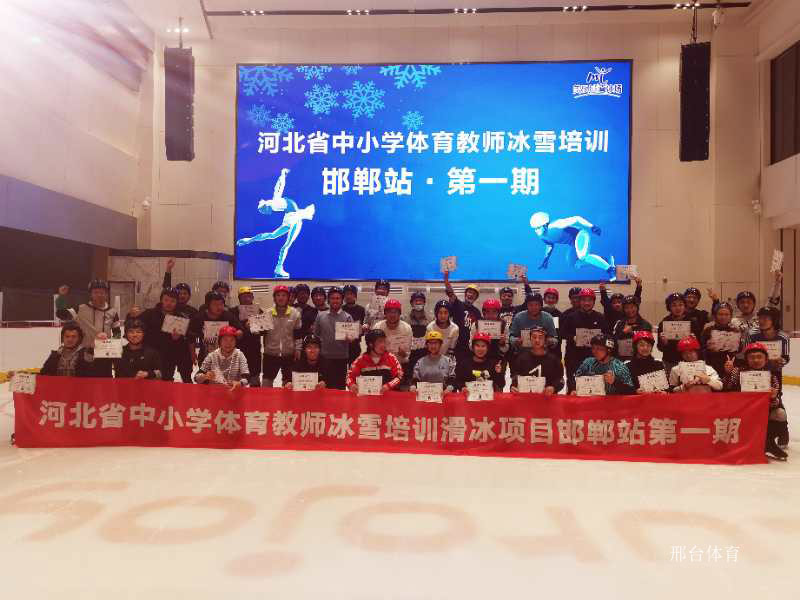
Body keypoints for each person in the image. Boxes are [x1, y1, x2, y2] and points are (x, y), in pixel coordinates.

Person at [235, 168, 316, 278]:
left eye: (263, 211)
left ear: (266, 207)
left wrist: (282, 175)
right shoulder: (273, 203)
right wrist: (282, 175)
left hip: (293, 218)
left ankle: (278, 267)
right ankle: (278, 267)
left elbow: (279, 187)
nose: (265, 213)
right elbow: (278, 187)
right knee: (279, 240)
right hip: (291, 218)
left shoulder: (273, 203)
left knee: (280, 241)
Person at [722, 342, 786, 460]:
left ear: (766, 359)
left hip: (762, 412)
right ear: (746, 359)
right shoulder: (737, 371)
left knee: (780, 414)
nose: (756, 360)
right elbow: (725, 387)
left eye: (759, 357)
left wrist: (773, 397)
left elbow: (775, 404)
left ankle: (768, 442)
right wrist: (728, 373)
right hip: (740, 412)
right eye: (752, 357)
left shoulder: (771, 376)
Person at [58, 279, 122, 378]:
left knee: (105, 383)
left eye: (102, 292)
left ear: (106, 294)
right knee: (83, 383)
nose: (99, 295)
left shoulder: (112, 312)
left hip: (104, 355)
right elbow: (61, 314)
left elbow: (117, 333)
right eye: (95, 292)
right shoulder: (80, 308)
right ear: (90, 294)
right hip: (83, 355)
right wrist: (62, 297)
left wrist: (113, 349)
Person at [747, 305, 791, 448]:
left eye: (766, 318)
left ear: (774, 320)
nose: (761, 321)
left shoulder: (783, 336)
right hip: (754, 372)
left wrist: (781, 361)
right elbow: (747, 353)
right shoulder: (752, 334)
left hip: (774, 373)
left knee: (776, 400)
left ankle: (783, 432)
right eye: (760, 318)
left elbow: (786, 357)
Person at [529, 211, 616, 278]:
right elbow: (549, 245)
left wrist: (592, 226)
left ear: (545, 225)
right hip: (573, 244)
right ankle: (603, 260)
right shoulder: (542, 236)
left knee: (582, 256)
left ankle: (610, 268)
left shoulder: (556, 225)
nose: (536, 231)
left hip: (580, 234)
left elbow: (577, 219)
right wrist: (546, 259)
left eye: (538, 227)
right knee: (574, 263)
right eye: (534, 229)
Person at [140, 288, 194, 383]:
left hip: (169, 357)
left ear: (177, 302)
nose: (169, 303)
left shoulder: (181, 318)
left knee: (166, 381)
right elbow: (137, 328)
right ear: (161, 300)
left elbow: (187, 339)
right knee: (149, 382)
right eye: (166, 300)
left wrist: (178, 338)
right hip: (150, 354)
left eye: (172, 301)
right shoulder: (149, 314)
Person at [561, 288, 609, 392]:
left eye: (589, 300)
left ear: (594, 302)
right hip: (574, 357)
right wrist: (572, 337)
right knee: (574, 387)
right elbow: (562, 333)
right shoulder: (571, 317)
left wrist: (601, 339)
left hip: (595, 358)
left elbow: (607, 335)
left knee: (594, 388)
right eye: (584, 300)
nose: (587, 303)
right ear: (580, 301)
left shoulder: (600, 317)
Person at [313, 286, 355, 390]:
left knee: (339, 388)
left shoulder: (348, 317)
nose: (335, 300)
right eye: (332, 298)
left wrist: (351, 338)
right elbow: (316, 336)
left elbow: (352, 338)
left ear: (342, 300)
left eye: (338, 298)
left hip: (341, 358)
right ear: (328, 300)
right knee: (324, 388)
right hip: (324, 358)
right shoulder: (320, 316)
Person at [262, 284, 302, 387]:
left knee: (288, 383)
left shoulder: (295, 314)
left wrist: (298, 349)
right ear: (274, 298)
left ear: (288, 297)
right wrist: (252, 327)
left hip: (288, 354)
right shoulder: (267, 313)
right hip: (270, 354)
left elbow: (298, 334)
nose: (281, 298)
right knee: (266, 382)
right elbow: (261, 332)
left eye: (284, 295)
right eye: (278, 295)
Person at [190, 291, 242, 366]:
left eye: (221, 304)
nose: (219, 307)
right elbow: (191, 337)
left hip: (227, 356)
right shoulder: (199, 318)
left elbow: (240, 329)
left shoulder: (228, 316)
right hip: (206, 356)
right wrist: (192, 353)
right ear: (208, 305)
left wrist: (238, 333)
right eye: (215, 304)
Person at [657, 292, 702, 376]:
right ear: (669, 307)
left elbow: (700, 346)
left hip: (688, 362)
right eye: (674, 305)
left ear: (685, 306)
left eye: (680, 305)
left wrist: (694, 341)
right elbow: (660, 347)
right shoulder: (664, 322)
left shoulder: (692, 322)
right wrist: (664, 343)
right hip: (670, 361)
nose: (678, 308)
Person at [510, 326, 564, 395]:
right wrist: (513, 386)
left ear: (545, 340)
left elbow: (561, 380)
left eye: (540, 337)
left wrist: (553, 388)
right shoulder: (521, 358)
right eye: (534, 337)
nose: (537, 340)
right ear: (530, 339)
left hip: (547, 399)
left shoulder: (554, 360)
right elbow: (515, 377)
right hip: (526, 398)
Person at [347, 329, 403, 393]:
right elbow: (349, 377)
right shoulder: (361, 360)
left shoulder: (391, 357)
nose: (384, 345)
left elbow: (399, 376)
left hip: (388, 395)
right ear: (371, 344)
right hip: (367, 396)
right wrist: (352, 385)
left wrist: (388, 386)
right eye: (380, 341)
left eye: (384, 341)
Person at [508, 293, 558, 364]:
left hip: (542, 355)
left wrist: (551, 341)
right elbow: (511, 336)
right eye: (530, 305)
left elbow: (555, 338)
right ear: (526, 305)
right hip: (522, 354)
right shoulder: (518, 317)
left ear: (541, 305)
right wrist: (516, 341)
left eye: (537, 304)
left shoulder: (548, 317)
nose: (534, 307)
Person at [375, 298, 413, 388]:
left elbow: (407, 354)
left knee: (401, 394)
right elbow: (372, 349)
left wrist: (404, 354)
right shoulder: (378, 326)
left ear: (399, 313)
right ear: (385, 313)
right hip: (382, 366)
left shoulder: (406, 328)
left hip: (401, 365)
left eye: (395, 312)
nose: (392, 314)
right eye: (389, 312)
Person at [443, 270, 481, 359]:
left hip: (471, 347)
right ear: (465, 294)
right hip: (456, 345)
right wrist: (446, 279)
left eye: (474, 293)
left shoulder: (477, 312)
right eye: (469, 292)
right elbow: (450, 293)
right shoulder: (458, 304)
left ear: (476, 297)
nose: (471, 295)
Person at [699, 301, 742, 379]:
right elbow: (702, 348)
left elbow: (739, 350)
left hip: (731, 365)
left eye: (726, 314)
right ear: (715, 315)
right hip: (712, 366)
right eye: (720, 314)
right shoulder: (708, 330)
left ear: (731, 316)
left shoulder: (736, 330)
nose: (723, 317)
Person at [235, 286, 264, 386]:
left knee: (255, 380)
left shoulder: (259, 311)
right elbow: (230, 328)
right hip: (238, 350)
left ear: (252, 297)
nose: (247, 299)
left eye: (249, 296)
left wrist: (257, 327)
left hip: (254, 350)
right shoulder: (233, 311)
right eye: (244, 297)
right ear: (239, 298)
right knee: (238, 381)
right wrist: (244, 327)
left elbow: (265, 330)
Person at [611, 295, 652, 361]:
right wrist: (623, 332)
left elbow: (649, 345)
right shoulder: (619, 324)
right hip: (622, 360)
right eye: (626, 307)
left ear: (637, 307)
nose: (630, 310)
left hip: (640, 360)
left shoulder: (645, 325)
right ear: (623, 309)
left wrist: (633, 334)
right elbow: (612, 343)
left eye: (632, 307)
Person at [403, 291, 432, 384]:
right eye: (416, 300)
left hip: (425, 353)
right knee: (409, 379)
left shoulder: (430, 318)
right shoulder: (405, 318)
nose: (418, 303)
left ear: (424, 303)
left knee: (424, 378)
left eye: (421, 301)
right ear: (411, 303)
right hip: (410, 354)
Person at [471, 298, 510, 363]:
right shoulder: (476, 324)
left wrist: (502, 343)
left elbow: (505, 349)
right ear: (484, 313)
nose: (491, 315)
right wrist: (475, 339)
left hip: (497, 357)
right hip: (479, 358)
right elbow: (470, 347)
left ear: (498, 313)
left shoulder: (504, 325)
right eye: (488, 312)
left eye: (494, 312)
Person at [341, 284, 365, 366]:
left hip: (355, 345)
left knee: (354, 368)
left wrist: (362, 329)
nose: (348, 296)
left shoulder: (361, 310)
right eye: (346, 294)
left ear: (355, 296)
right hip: (342, 345)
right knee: (342, 368)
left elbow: (363, 326)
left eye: (351, 294)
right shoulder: (340, 309)